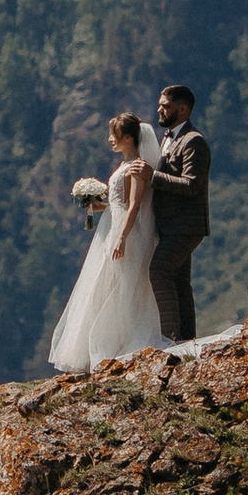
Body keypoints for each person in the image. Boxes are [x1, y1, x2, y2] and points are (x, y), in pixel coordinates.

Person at [49, 111, 163, 373]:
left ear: (127, 138)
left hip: (125, 231)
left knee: (120, 285)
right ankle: (100, 346)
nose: (111, 140)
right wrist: (94, 205)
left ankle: (117, 343)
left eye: (115, 135)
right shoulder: (124, 165)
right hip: (112, 227)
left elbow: (134, 204)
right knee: (104, 284)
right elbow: (116, 203)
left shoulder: (136, 167)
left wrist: (122, 236)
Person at [151, 82, 212, 344]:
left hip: (186, 226)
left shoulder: (193, 141)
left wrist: (152, 177)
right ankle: (187, 341)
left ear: (183, 109)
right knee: (179, 281)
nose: (159, 110)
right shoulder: (168, 138)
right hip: (170, 226)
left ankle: (171, 338)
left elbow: (191, 185)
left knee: (159, 270)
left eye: (166, 106)